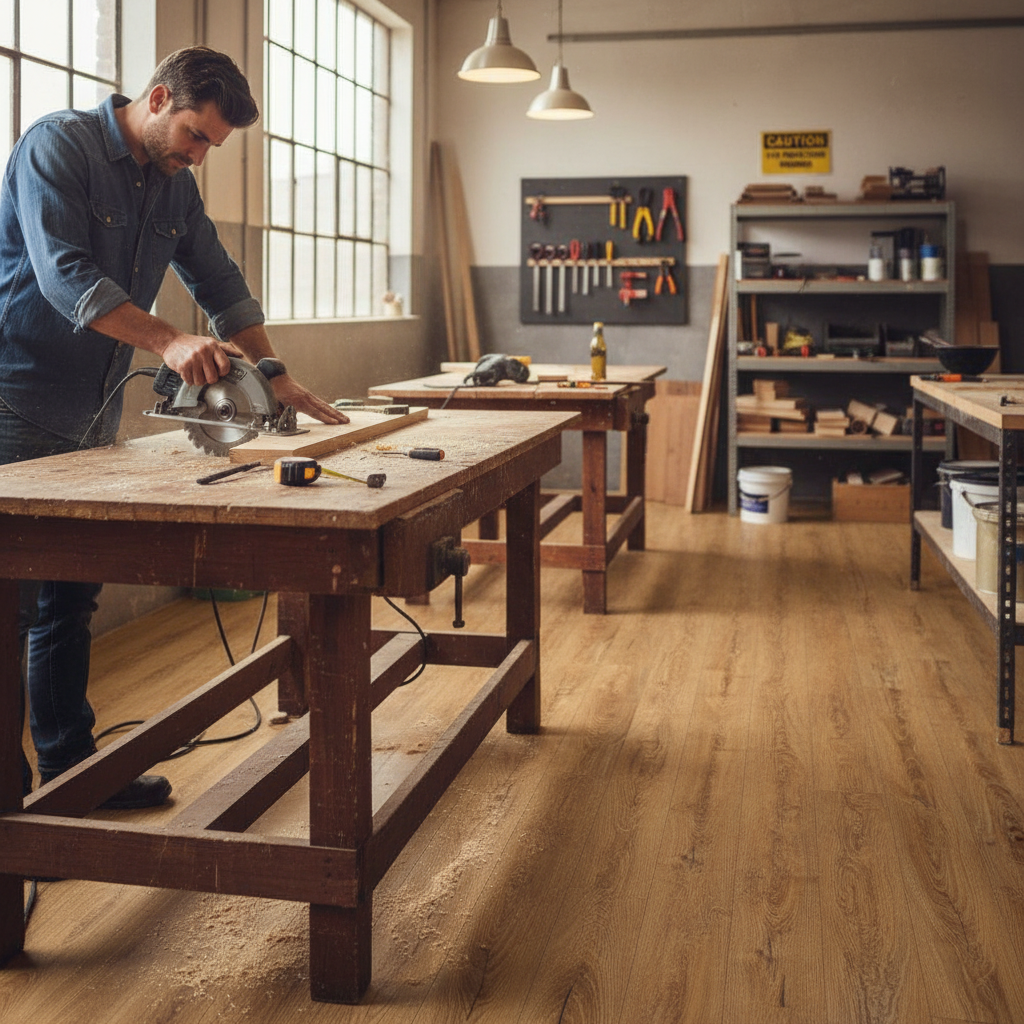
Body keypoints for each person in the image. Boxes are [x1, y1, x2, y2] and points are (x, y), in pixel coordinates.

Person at [0, 46, 347, 809]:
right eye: (195, 135)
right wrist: (169, 340)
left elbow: (219, 281)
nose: (198, 155)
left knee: (68, 599)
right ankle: (8, 816)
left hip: (90, 403)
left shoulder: (173, 187)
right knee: (10, 603)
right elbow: (65, 277)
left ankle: (69, 781)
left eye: (211, 147)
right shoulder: (56, 145)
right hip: (13, 396)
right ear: (157, 99)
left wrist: (274, 369)